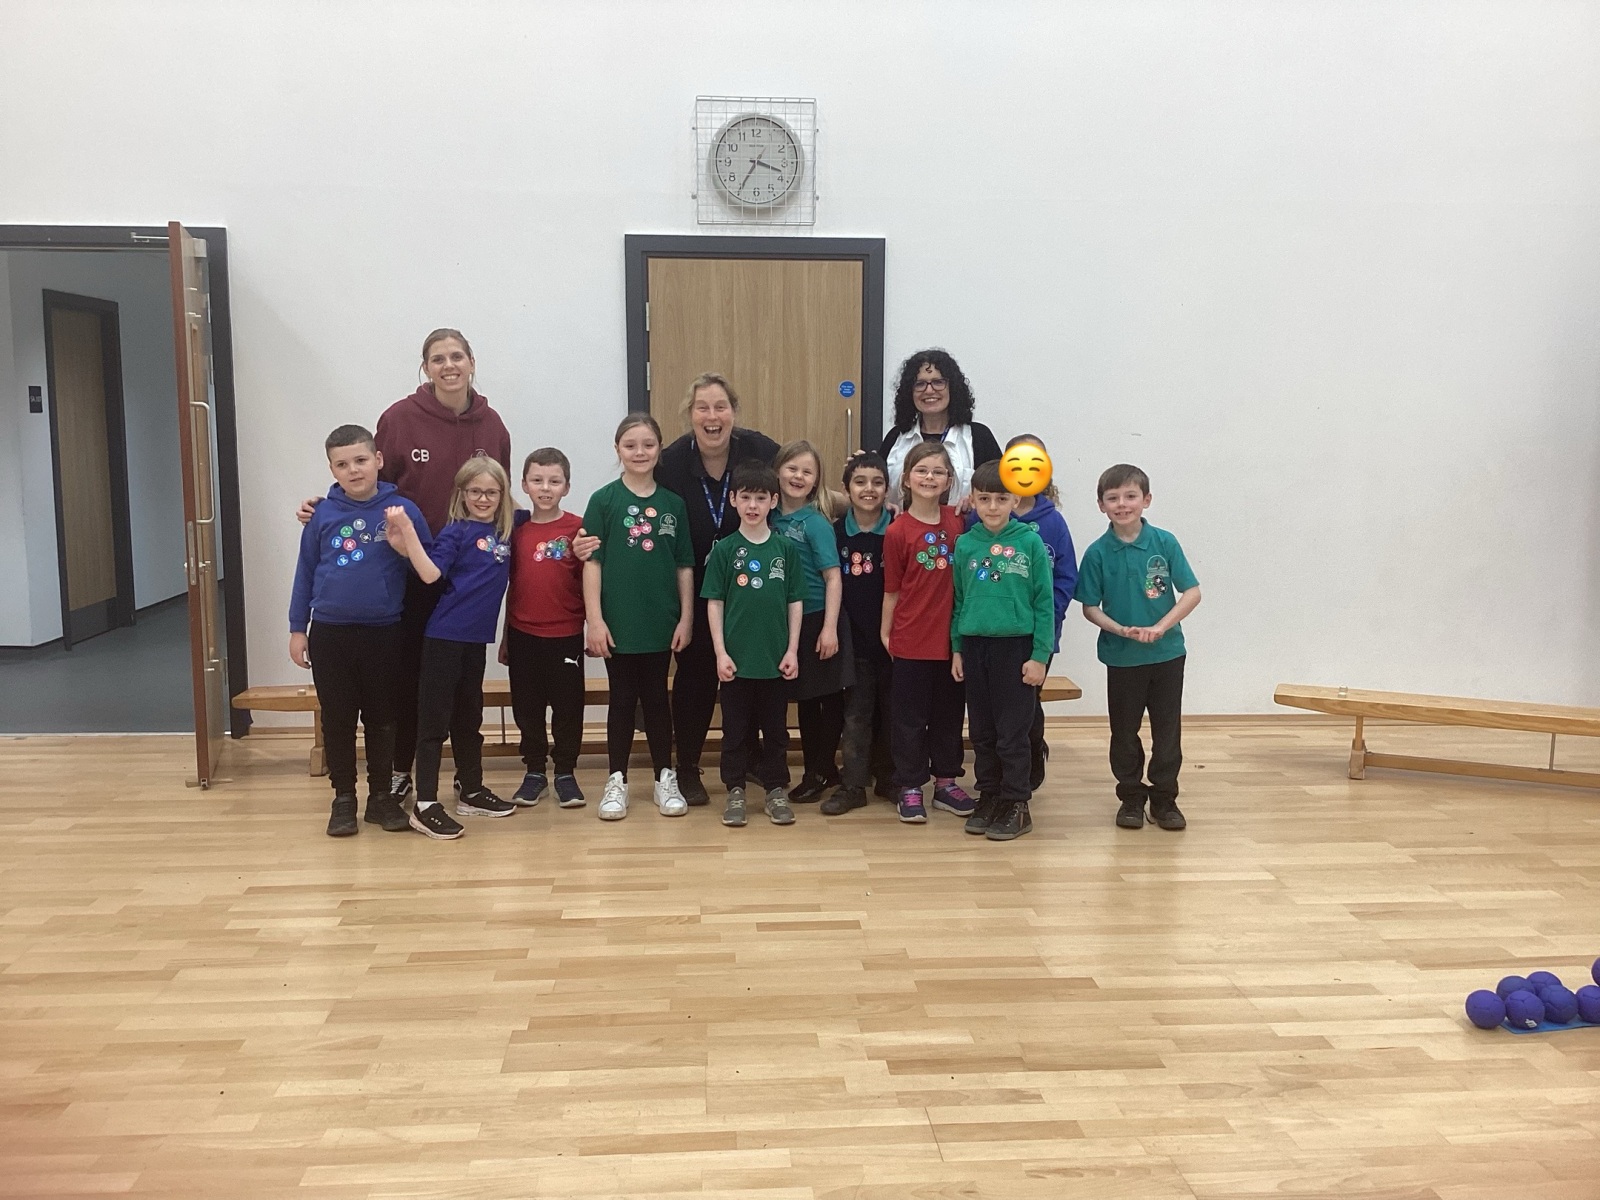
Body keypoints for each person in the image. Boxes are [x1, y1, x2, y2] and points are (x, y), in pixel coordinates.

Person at [296, 329, 514, 803]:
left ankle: (468, 780)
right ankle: (400, 772)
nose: (448, 366)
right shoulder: (398, 419)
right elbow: (367, 485)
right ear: (426, 367)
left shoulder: (493, 425)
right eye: (438, 359)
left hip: (468, 581)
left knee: (465, 687)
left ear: (472, 362)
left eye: (456, 356)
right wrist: (326, 507)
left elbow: (500, 495)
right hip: (411, 573)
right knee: (409, 680)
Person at [288, 424, 431, 837]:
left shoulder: (404, 511)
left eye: (361, 460)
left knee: (383, 718)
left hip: (384, 632)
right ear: (332, 469)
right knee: (337, 719)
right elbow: (305, 571)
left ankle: (381, 797)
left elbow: (426, 570)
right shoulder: (322, 514)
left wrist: (403, 545)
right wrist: (297, 628)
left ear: (378, 460)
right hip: (329, 633)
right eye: (342, 464)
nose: (353, 470)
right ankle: (344, 798)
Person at [656, 373, 780, 805]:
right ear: (690, 415)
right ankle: (688, 767)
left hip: (751, 590)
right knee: (695, 678)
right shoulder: (671, 463)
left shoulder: (760, 450)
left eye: (721, 407)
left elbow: (801, 484)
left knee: (751, 676)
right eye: (702, 408)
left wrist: (853, 502)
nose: (712, 417)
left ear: (734, 412)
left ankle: (751, 759)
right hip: (691, 587)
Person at [384, 457, 518, 840]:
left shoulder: (507, 529)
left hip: (475, 642)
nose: (483, 498)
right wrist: (407, 533)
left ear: (502, 494)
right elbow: (429, 574)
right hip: (444, 638)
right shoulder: (455, 533)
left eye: (491, 492)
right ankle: (425, 803)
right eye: (475, 491)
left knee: (469, 718)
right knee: (434, 722)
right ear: (462, 493)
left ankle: (471, 790)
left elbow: (546, 513)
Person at [1074, 463, 1202, 831]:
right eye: (1112, 498)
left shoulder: (1165, 542)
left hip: (1167, 654)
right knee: (1124, 732)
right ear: (1101, 505)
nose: (1122, 504)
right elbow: (1089, 607)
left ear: (1146, 500)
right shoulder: (1097, 553)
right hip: (1122, 657)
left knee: (1167, 730)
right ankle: (1131, 797)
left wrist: (1161, 627)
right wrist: (1119, 630)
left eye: (1130, 496)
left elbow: (1191, 592)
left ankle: (1164, 799)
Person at [583, 413, 695, 821]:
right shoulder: (603, 501)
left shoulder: (673, 504)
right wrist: (595, 620)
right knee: (622, 700)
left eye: (648, 444)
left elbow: (684, 565)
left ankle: (665, 777)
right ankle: (617, 780)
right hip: (618, 622)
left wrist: (686, 617)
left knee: (657, 700)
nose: (639, 452)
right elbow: (592, 563)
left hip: (660, 621)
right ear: (618, 449)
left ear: (659, 449)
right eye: (630, 445)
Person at [951, 460, 1056, 841]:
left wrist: (1040, 655)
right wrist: (957, 649)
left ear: (1015, 499)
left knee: (1012, 732)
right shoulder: (965, 544)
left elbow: (1044, 603)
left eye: (1000, 498)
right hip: (975, 647)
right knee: (982, 731)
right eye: (984, 499)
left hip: (1016, 649)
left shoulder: (1029, 542)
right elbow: (958, 601)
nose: (992, 506)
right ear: (973, 500)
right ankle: (990, 795)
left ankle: (1016, 802)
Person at [969, 433, 1078, 789]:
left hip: (1036, 633)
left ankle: (1027, 773)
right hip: (989, 635)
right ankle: (997, 784)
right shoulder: (980, 518)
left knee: (1025, 705)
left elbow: (1063, 580)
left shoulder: (1052, 523)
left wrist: (1043, 627)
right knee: (995, 713)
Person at [702, 462, 804, 828]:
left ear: (773, 501)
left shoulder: (785, 550)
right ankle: (735, 790)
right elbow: (715, 602)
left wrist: (792, 650)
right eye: (745, 497)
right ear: (733, 500)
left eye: (761, 498)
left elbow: (795, 602)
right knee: (735, 731)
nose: (752, 505)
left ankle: (775, 790)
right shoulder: (725, 550)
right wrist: (720, 652)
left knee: (776, 731)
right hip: (736, 663)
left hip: (774, 662)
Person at [880, 441, 974, 824]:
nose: (929, 477)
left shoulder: (959, 521)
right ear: (906, 479)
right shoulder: (897, 531)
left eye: (938, 471)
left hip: (951, 644)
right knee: (909, 719)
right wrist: (887, 634)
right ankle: (910, 786)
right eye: (922, 470)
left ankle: (946, 783)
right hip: (911, 641)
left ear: (949, 480)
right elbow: (892, 590)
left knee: (949, 716)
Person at [498, 447, 587, 811]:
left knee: (568, 708)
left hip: (566, 635)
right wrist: (506, 635)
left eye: (554, 481)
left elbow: (590, 583)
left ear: (567, 486)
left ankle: (565, 772)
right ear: (524, 484)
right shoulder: (515, 528)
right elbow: (513, 585)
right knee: (527, 707)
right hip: (523, 635)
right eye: (537, 480)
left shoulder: (578, 529)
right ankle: (534, 771)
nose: (545, 488)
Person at [770, 440, 853, 802]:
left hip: (819, 618)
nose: (798, 476)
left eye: (807, 471)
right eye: (792, 468)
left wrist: (829, 628)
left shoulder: (815, 523)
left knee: (826, 699)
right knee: (804, 700)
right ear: (777, 472)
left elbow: (833, 577)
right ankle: (818, 768)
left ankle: (820, 770)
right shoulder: (768, 517)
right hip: (787, 620)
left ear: (817, 480)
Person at [823, 451, 895, 815]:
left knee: (894, 713)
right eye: (860, 482)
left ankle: (891, 779)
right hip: (854, 643)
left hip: (895, 642)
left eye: (877, 482)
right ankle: (853, 784)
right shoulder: (835, 533)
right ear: (846, 488)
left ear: (888, 489)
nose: (869, 489)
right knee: (856, 715)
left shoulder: (898, 529)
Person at [878, 349, 1001, 510]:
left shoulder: (979, 437)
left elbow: (1001, 489)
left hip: (964, 525)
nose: (929, 390)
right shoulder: (896, 437)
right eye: (920, 384)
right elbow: (878, 488)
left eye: (938, 382)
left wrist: (977, 501)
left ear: (952, 387)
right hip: (902, 525)